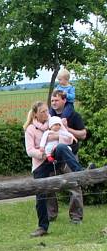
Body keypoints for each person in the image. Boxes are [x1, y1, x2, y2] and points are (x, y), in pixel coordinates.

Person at [24, 101, 85, 237]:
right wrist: (42, 154)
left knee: (62, 148)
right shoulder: (30, 129)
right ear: (35, 114)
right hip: (41, 162)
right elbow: (29, 150)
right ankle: (42, 227)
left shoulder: (55, 122)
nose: (47, 114)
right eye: (43, 112)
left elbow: (70, 140)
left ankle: (79, 172)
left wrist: (57, 136)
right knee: (41, 194)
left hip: (56, 157)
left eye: (47, 111)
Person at [48, 89, 88, 223]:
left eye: (56, 100)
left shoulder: (74, 116)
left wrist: (66, 129)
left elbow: (83, 134)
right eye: (52, 100)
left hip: (70, 156)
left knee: (74, 185)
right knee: (48, 184)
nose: (53, 103)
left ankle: (76, 217)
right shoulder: (49, 117)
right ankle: (50, 215)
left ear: (64, 100)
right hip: (53, 157)